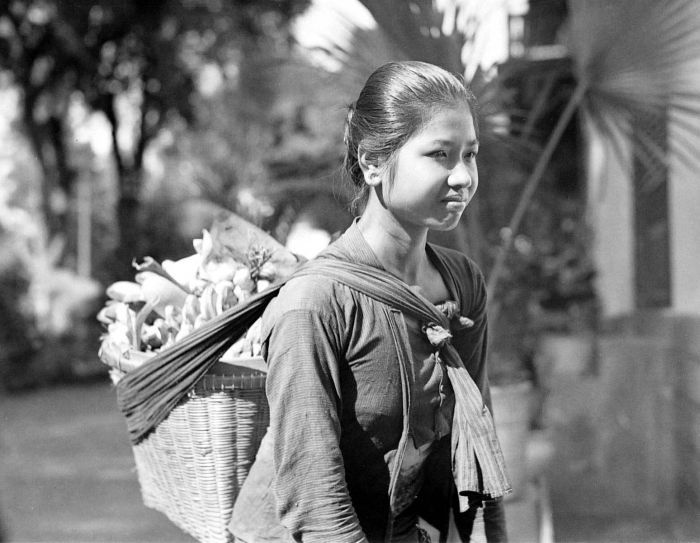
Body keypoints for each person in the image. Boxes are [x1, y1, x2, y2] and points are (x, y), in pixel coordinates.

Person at [229, 60, 511, 543]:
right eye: (440, 155)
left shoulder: (462, 282)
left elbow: (477, 441)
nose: (463, 176)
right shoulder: (316, 303)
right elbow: (314, 498)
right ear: (372, 163)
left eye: (470, 154)